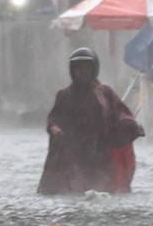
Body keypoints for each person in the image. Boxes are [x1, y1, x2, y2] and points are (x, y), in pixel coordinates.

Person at [39, 47, 143, 194]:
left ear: (93, 69)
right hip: (74, 154)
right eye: (78, 68)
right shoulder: (64, 95)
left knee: (103, 190)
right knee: (75, 190)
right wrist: (55, 129)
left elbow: (120, 114)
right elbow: (54, 119)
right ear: (72, 70)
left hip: (100, 152)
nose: (82, 72)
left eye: (86, 67)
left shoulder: (105, 93)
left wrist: (131, 126)